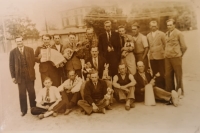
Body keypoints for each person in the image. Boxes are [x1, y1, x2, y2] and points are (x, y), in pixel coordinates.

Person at [9, 36, 36, 116]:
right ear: (16, 42)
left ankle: (33, 108)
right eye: (17, 42)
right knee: (22, 93)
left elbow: (33, 62)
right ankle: (24, 110)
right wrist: (13, 77)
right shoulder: (13, 52)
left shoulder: (30, 50)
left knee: (32, 92)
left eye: (20, 41)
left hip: (29, 75)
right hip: (19, 76)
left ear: (23, 41)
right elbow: (11, 65)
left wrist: (29, 70)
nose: (19, 43)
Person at [165, 19, 187, 95]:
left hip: (176, 57)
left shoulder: (178, 33)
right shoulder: (166, 33)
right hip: (168, 57)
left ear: (174, 25)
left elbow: (184, 47)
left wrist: (180, 55)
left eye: (170, 25)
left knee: (178, 75)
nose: (169, 27)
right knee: (168, 75)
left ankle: (180, 92)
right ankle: (171, 92)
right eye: (168, 25)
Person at [147, 20, 166, 89]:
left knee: (162, 73)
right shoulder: (148, 35)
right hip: (152, 57)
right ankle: (157, 88)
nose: (153, 27)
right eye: (152, 26)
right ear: (150, 27)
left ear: (157, 26)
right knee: (155, 73)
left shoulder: (161, 34)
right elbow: (148, 46)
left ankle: (164, 88)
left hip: (160, 57)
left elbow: (165, 45)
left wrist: (162, 52)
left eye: (155, 26)